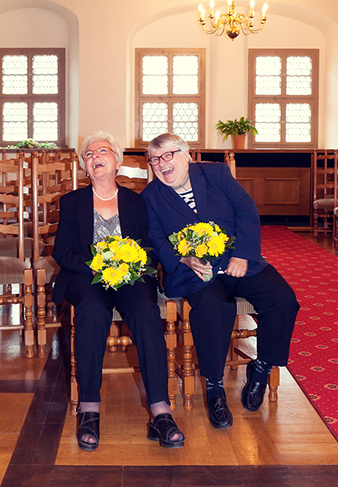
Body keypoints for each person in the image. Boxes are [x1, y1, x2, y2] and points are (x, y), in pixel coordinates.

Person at [141, 133, 300, 430]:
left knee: (283, 300)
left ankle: (261, 368)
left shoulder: (216, 173)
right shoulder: (151, 196)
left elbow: (246, 210)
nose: (162, 164)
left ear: (187, 155)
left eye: (168, 155)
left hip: (239, 262)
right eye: (154, 159)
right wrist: (184, 260)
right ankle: (215, 389)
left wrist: (241, 254)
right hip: (196, 273)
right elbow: (157, 240)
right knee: (215, 309)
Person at [52, 130, 185, 450]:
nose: (95, 156)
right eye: (89, 154)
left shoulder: (136, 202)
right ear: (85, 166)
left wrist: (132, 264)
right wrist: (97, 265)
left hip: (131, 275)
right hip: (86, 276)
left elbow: (151, 248)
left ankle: (160, 412)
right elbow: (62, 252)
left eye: (103, 151)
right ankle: (89, 410)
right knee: (94, 313)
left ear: (117, 160)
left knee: (144, 312)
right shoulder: (71, 202)